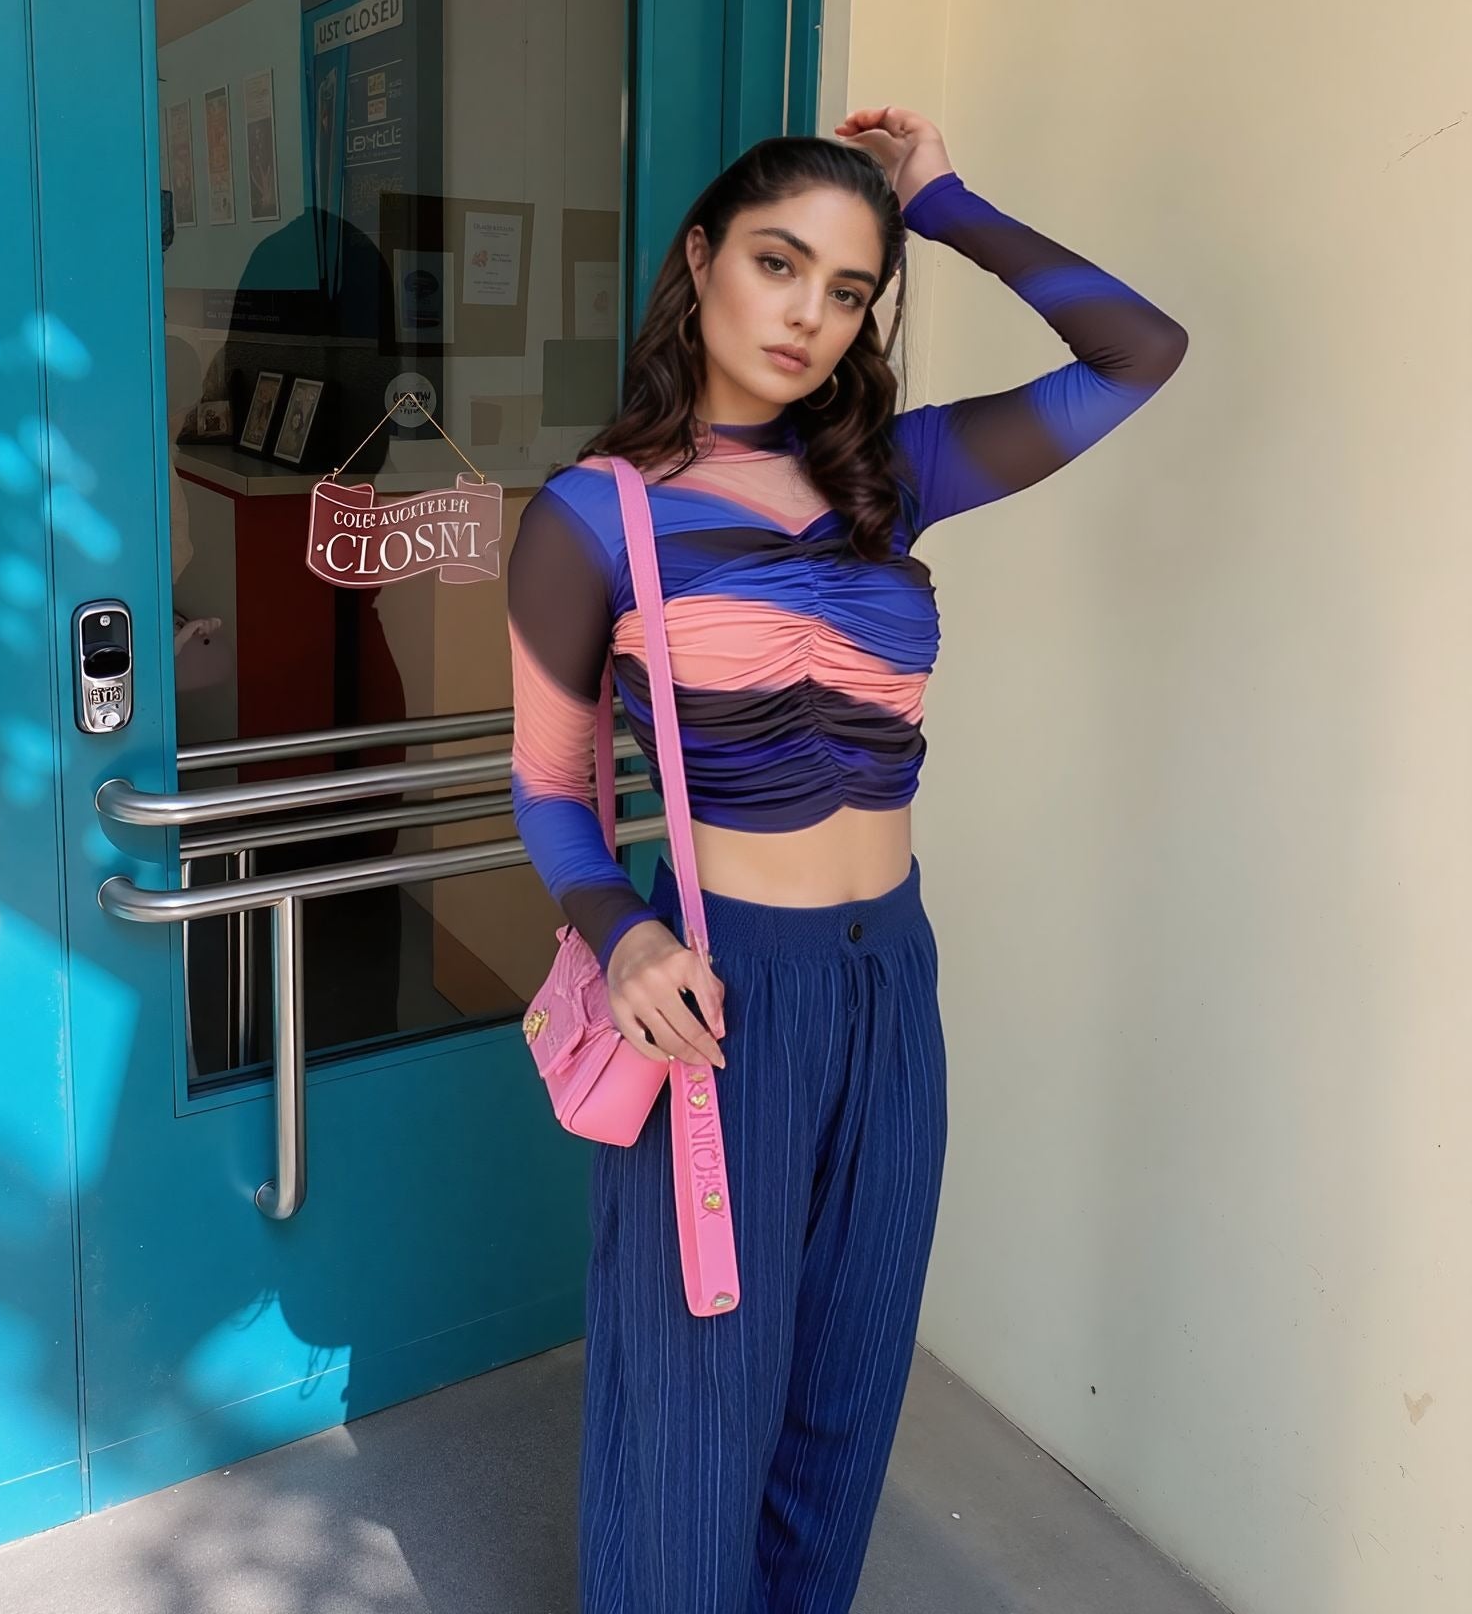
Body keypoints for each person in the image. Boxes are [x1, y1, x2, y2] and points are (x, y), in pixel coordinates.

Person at [505, 105, 1189, 1614]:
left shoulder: (895, 472)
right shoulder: (593, 518)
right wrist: (620, 930)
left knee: (852, 1373)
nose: (808, 313)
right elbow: (548, 788)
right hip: (719, 992)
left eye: (850, 287)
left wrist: (946, 201)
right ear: (702, 259)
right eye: (778, 262)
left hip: (893, 980)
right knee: (693, 1394)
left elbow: (1139, 352)